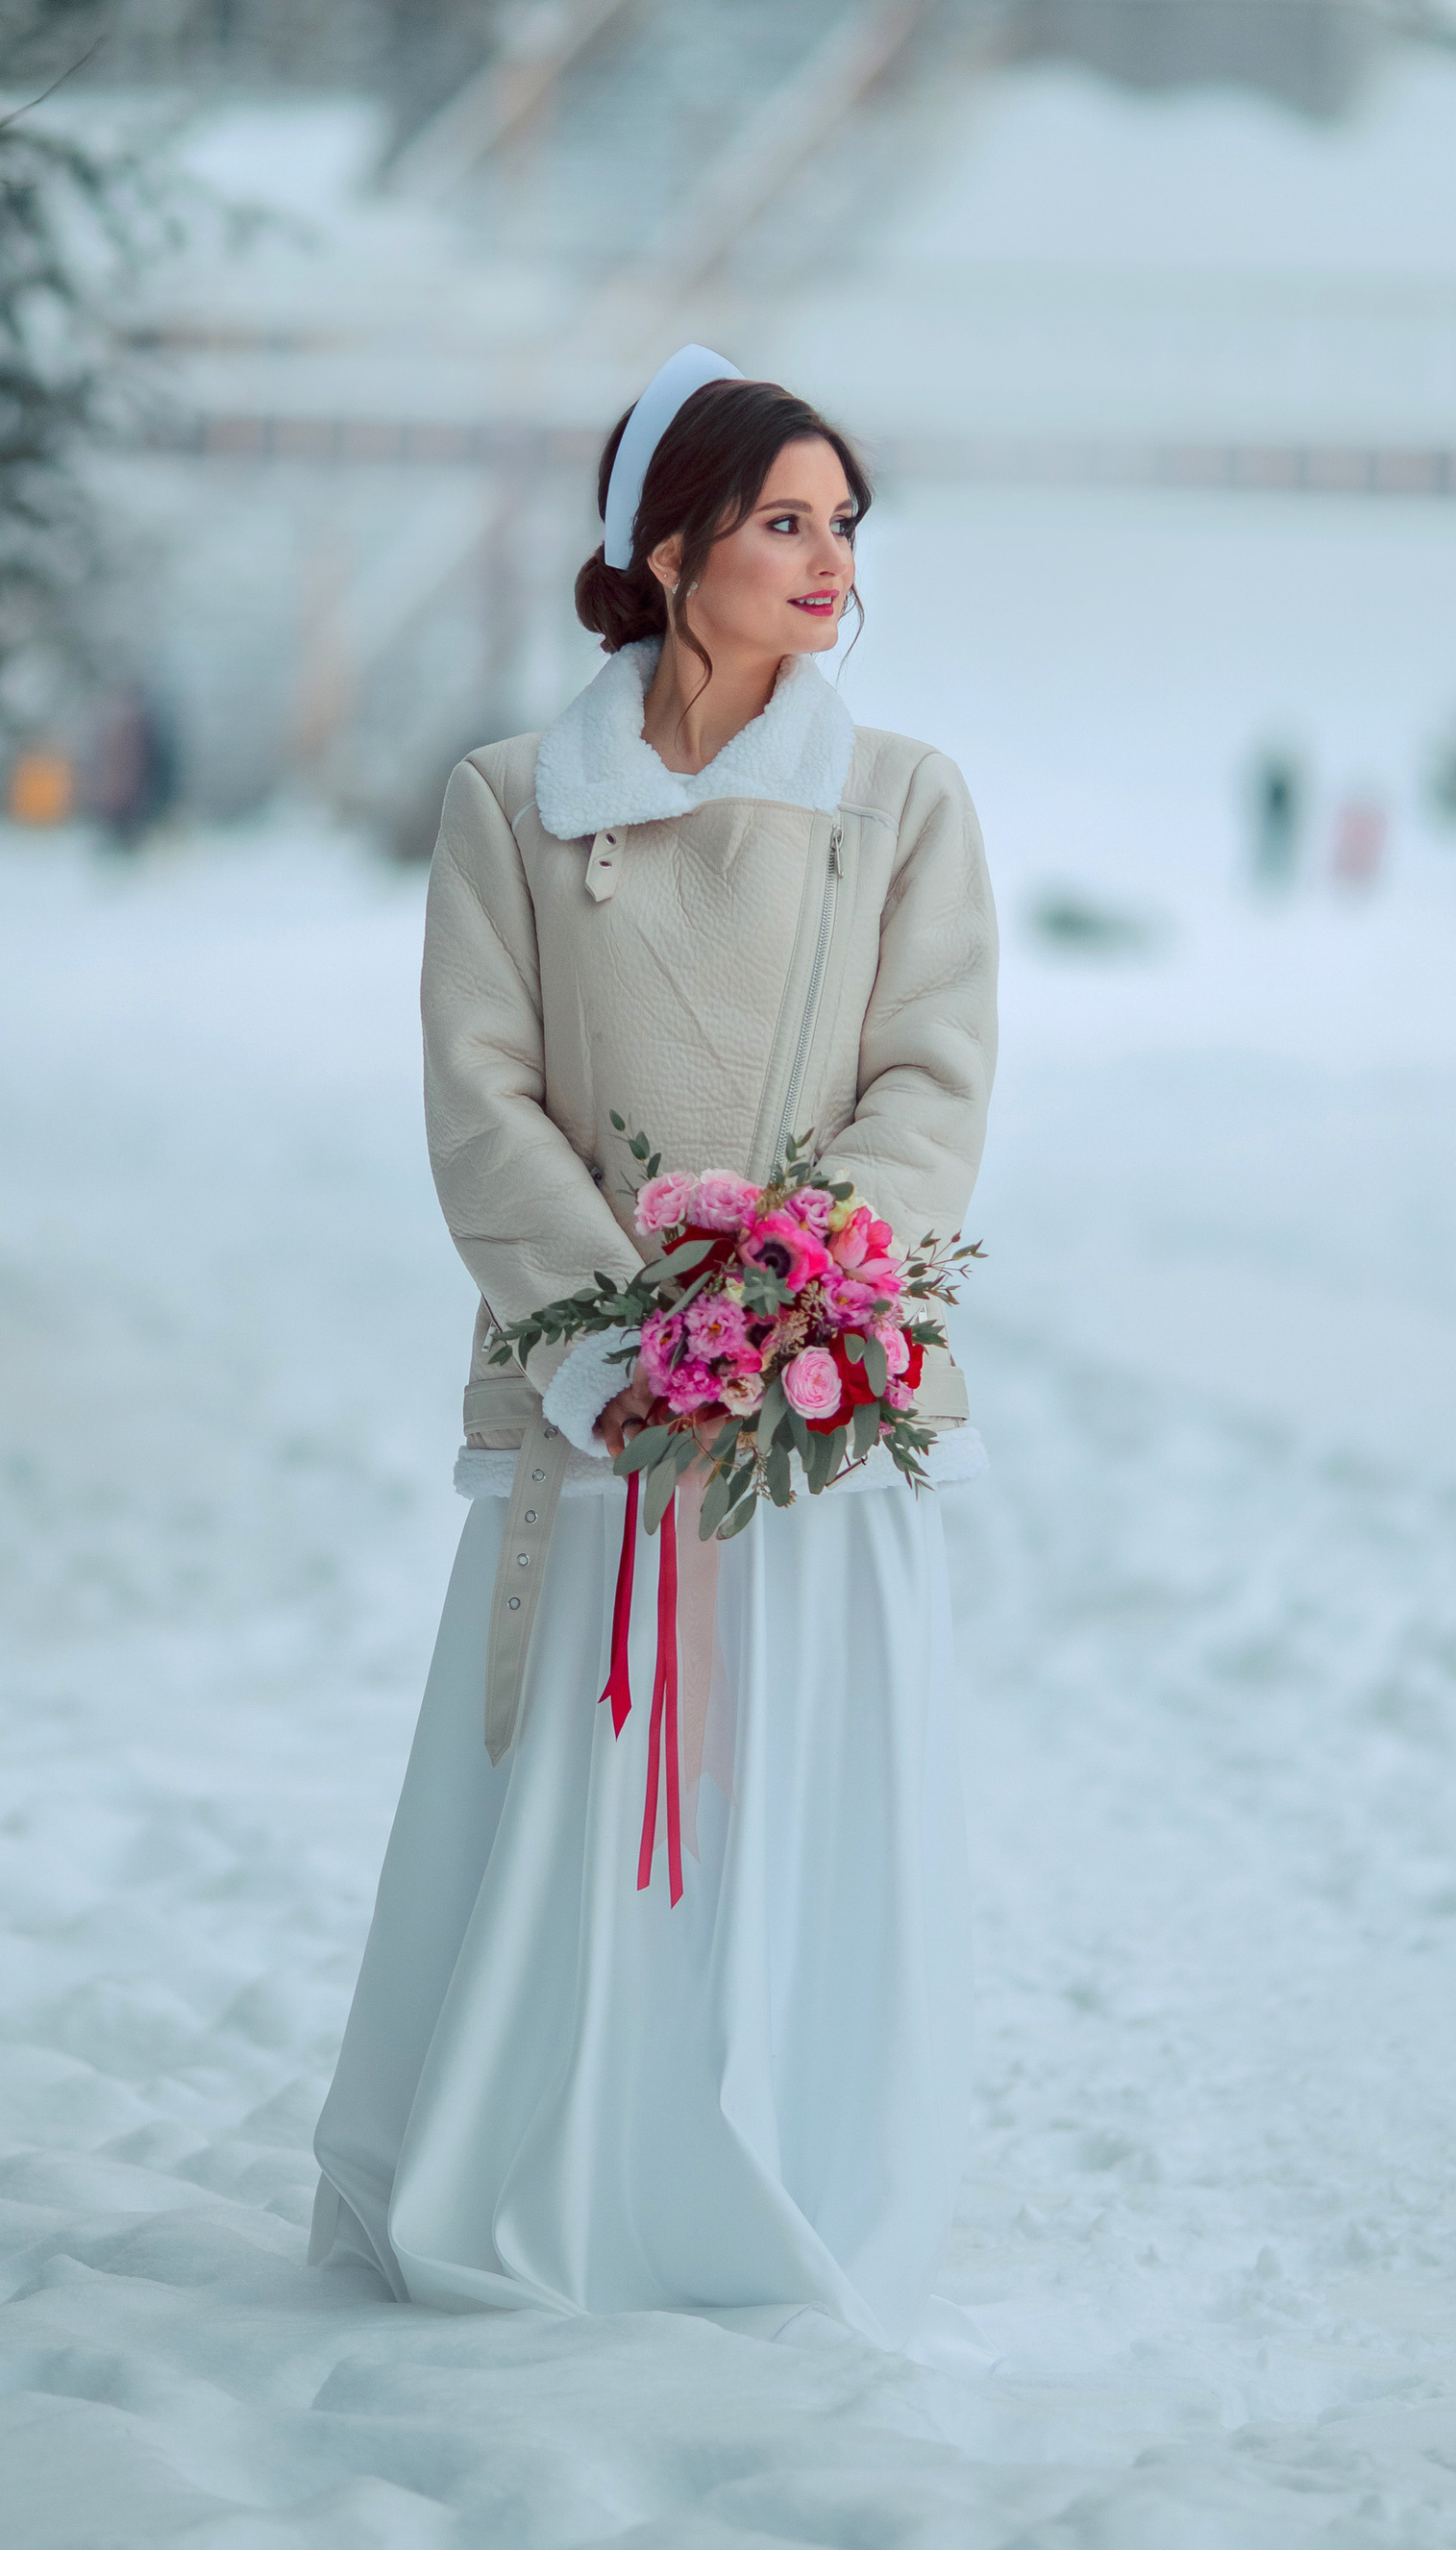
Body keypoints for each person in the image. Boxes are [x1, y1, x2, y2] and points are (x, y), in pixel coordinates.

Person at [309, 349, 999, 2355]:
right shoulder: (511, 805)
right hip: (599, 1417)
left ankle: (774, 2173)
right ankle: (548, 2176)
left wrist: (788, 1304)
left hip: (812, 1411)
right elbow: (480, 1099)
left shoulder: (901, 803)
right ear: (669, 546)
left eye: (844, 522)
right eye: (783, 520)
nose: (829, 560)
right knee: (572, 1812)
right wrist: (618, 1340)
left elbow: (930, 1086)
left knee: (790, 1811)